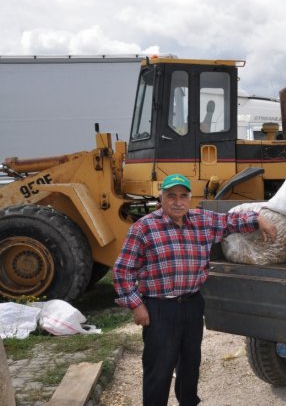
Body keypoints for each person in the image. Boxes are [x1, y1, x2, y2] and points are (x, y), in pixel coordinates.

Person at [113, 173, 277, 406]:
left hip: (192, 304)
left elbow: (230, 221)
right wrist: (136, 304)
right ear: (161, 198)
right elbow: (122, 271)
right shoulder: (144, 228)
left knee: (190, 363)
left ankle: (188, 402)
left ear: (190, 198)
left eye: (183, 196)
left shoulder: (202, 221)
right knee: (159, 367)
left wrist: (258, 219)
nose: (178, 201)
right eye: (171, 196)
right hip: (159, 308)